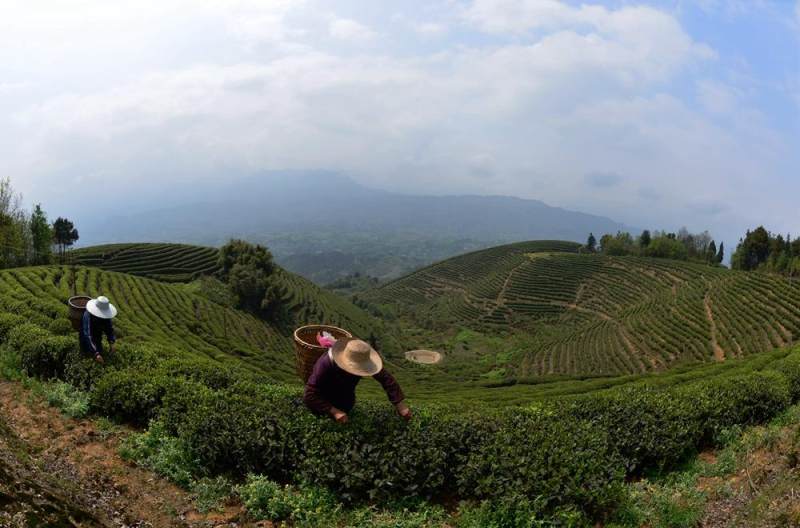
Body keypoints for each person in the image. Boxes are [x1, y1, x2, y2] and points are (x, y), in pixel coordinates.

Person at [304, 337, 411, 424]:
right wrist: (334, 411)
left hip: (346, 403)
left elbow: (386, 379)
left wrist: (400, 405)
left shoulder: (363, 359)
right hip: (323, 402)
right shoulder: (326, 364)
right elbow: (309, 395)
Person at [79, 296, 118, 363]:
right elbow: (87, 335)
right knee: (88, 356)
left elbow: (109, 329)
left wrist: (112, 342)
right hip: (86, 339)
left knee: (100, 354)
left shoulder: (105, 317)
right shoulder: (87, 315)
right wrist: (96, 353)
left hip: (97, 336)